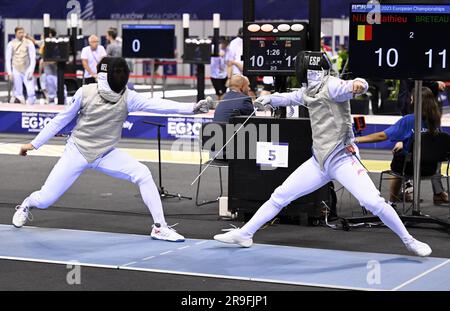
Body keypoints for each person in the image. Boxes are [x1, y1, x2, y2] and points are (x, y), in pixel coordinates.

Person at [214, 51, 432, 257]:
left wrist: (359, 84)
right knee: (280, 195)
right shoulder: (310, 90)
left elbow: (354, 85)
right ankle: (245, 234)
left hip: (342, 159)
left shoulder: (333, 86)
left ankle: (410, 241)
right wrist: (269, 99)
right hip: (319, 161)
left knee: (374, 202)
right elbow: (290, 97)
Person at [13, 57, 211, 242]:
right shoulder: (85, 93)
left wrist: (192, 108)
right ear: (105, 76)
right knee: (46, 199)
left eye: (122, 73)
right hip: (77, 151)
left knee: (142, 173)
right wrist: (34, 144)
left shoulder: (128, 97)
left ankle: (160, 227)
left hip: (106, 153)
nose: (120, 77)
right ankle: (26, 204)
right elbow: (61, 119)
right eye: (116, 73)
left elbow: (157, 104)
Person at [355, 87, 448, 205]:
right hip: (431, 169)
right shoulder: (435, 121)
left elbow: (382, 136)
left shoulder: (408, 120)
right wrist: (403, 142)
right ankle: (435, 193)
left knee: (398, 161)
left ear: (415, 100)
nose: (410, 99)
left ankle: (391, 203)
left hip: (409, 168)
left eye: (412, 97)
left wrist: (357, 139)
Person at [5, 26, 36, 105]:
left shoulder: (29, 43)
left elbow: (33, 58)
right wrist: (9, 72)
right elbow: (8, 59)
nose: (22, 34)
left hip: (27, 69)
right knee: (18, 93)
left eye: (22, 32)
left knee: (31, 91)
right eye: (19, 32)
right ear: (16, 33)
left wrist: (31, 70)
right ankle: (21, 108)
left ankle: (31, 108)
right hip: (16, 69)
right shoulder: (11, 44)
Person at [210, 39, 229, 103]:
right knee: (219, 93)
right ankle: (219, 106)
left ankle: (220, 105)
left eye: (226, 44)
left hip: (224, 75)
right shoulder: (213, 48)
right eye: (224, 44)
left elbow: (229, 63)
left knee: (223, 93)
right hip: (215, 75)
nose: (225, 45)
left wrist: (229, 76)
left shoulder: (228, 50)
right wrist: (218, 53)